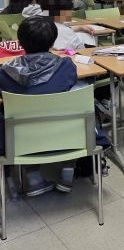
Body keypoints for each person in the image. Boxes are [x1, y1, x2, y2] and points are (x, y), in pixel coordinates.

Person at [0, 16, 78, 195]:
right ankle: (68, 173)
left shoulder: (5, 74)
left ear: (20, 42)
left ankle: (34, 178)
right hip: (66, 132)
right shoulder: (67, 67)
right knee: (76, 108)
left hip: (21, 137)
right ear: (53, 41)